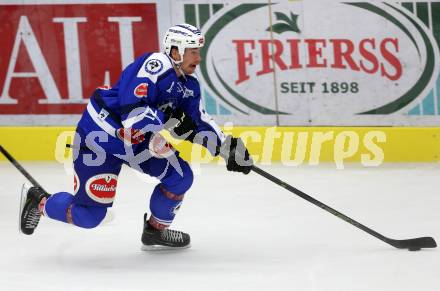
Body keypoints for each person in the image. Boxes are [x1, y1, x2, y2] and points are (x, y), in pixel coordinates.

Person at [19, 23, 253, 250]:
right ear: (175, 51)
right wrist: (159, 128)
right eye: (192, 52)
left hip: (137, 142)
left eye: (198, 52)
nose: (198, 58)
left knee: (180, 176)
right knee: (89, 216)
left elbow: (198, 122)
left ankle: (155, 231)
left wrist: (226, 147)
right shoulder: (156, 64)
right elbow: (131, 108)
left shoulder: (189, 86)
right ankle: (40, 202)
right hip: (100, 136)